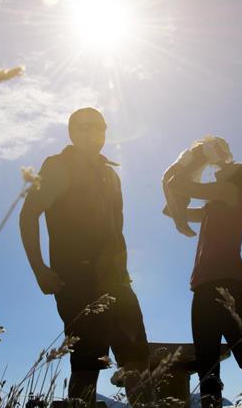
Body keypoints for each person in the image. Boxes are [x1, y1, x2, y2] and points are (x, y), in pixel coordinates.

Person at [19, 107, 149, 407]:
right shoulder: (58, 166)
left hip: (118, 281)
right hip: (77, 278)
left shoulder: (110, 174)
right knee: (87, 360)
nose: (91, 132)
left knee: (136, 356)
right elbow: (29, 215)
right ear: (71, 132)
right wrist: (40, 269)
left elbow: (117, 228)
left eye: (98, 126)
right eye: (83, 127)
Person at [162, 142, 242, 408]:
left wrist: (195, 156)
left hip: (225, 281)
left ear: (239, 177)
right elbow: (171, 210)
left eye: (230, 166)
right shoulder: (216, 203)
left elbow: (178, 184)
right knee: (209, 358)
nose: (224, 165)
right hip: (203, 284)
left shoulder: (229, 190)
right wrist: (178, 196)